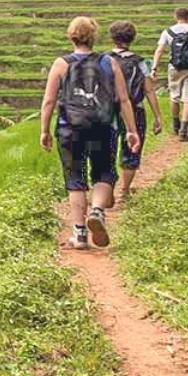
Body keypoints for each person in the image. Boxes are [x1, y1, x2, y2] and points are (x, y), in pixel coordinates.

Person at [40, 16, 140, 250]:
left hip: (69, 128)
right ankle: (97, 210)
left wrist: (44, 130)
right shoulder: (109, 62)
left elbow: (49, 101)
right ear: (95, 37)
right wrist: (132, 130)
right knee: (104, 173)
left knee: (75, 179)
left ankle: (80, 234)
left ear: (71, 36)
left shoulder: (61, 64)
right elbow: (123, 99)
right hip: (103, 127)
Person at [108, 20, 163, 202]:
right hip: (135, 110)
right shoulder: (141, 62)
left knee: (106, 148)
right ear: (133, 38)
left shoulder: (102, 60)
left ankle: (106, 190)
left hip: (106, 111)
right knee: (132, 148)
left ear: (112, 37)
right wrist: (157, 116)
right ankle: (124, 191)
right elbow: (149, 90)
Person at [150, 7, 188, 142]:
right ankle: (183, 130)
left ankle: (176, 125)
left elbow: (159, 50)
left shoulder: (167, 31)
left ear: (175, 16)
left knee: (174, 96)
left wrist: (154, 68)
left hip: (174, 67)